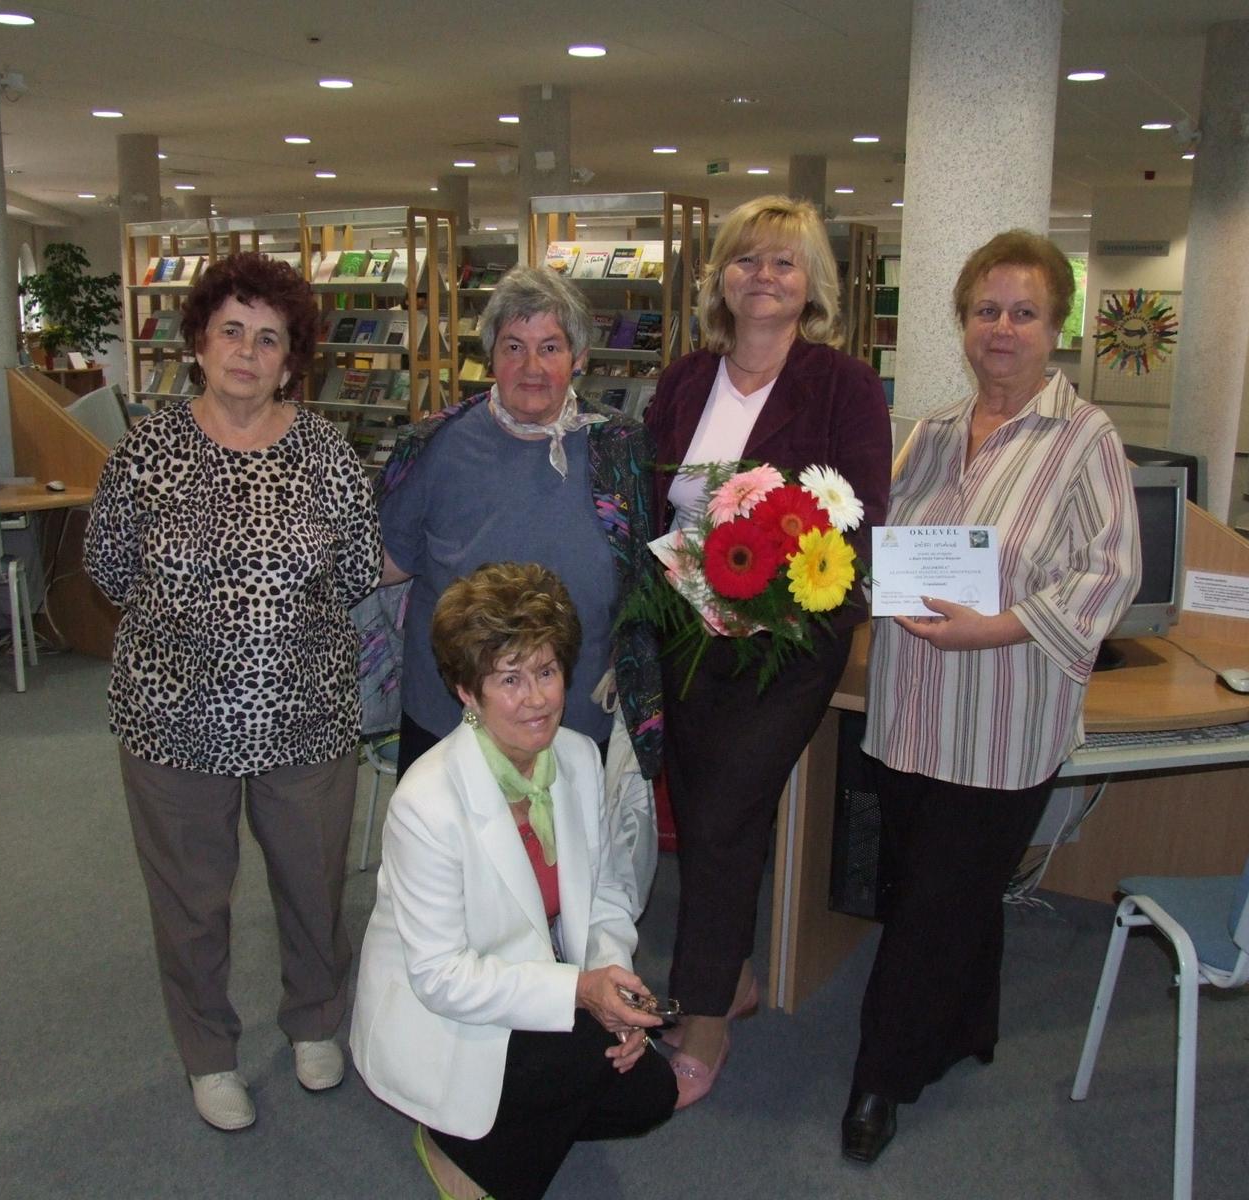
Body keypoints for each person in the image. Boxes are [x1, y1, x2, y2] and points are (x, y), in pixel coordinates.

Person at [846, 230, 1140, 1164]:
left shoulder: (1086, 439)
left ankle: (879, 1080)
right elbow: (890, 547)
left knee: (931, 908)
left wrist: (1000, 626)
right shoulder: (930, 433)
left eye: (1023, 312)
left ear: (1056, 328)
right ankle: (970, 1024)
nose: (1001, 329)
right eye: (985, 311)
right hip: (909, 712)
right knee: (937, 889)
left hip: (1003, 722)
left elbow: (1109, 575)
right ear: (962, 322)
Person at [84, 251, 381, 1131]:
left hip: (305, 716)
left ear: (291, 361)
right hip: (172, 719)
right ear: (200, 345)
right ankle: (209, 1054)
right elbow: (108, 567)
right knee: (190, 902)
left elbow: (357, 569)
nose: (247, 352)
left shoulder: (325, 452)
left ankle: (315, 1022)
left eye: (269, 338)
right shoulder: (147, 451)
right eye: (231, 332)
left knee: (312, 886)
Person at [643, 195, 892, 1107]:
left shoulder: (843, 384)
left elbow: (863, 517)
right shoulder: (684, 379)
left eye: (785, 262)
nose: (764, 276)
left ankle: (704, 1010)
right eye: (747, 259)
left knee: (724, 816)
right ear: (720, 277)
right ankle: (734, 974)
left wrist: (774, 595)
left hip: (788, 641)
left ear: (812, 283)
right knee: (700, 805)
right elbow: (650, 496)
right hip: (686, 630)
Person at [350, 562, 677, 1200]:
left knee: (650, 1093)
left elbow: (606, 895)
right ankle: (454, 1146)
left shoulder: (576, 758)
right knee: (583, 1062)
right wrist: (580, 991)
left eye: (546, 671)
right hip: (442, 1006)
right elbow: (442, 977)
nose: (537, 699)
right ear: (467, 693)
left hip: (529, 980)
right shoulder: (426, 802)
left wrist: (611, 982)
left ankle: (483, 1131)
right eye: (509, 679)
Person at [376, 266, 661, 787]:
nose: (532, 367)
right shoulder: (435, 444)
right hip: (451, 723)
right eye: (513, 347)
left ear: (579, 357)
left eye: (550, 348)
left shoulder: (621, 448)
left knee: (564, 840)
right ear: (491, 356)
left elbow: (648, 579)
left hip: (574, 724)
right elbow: (384, 562)